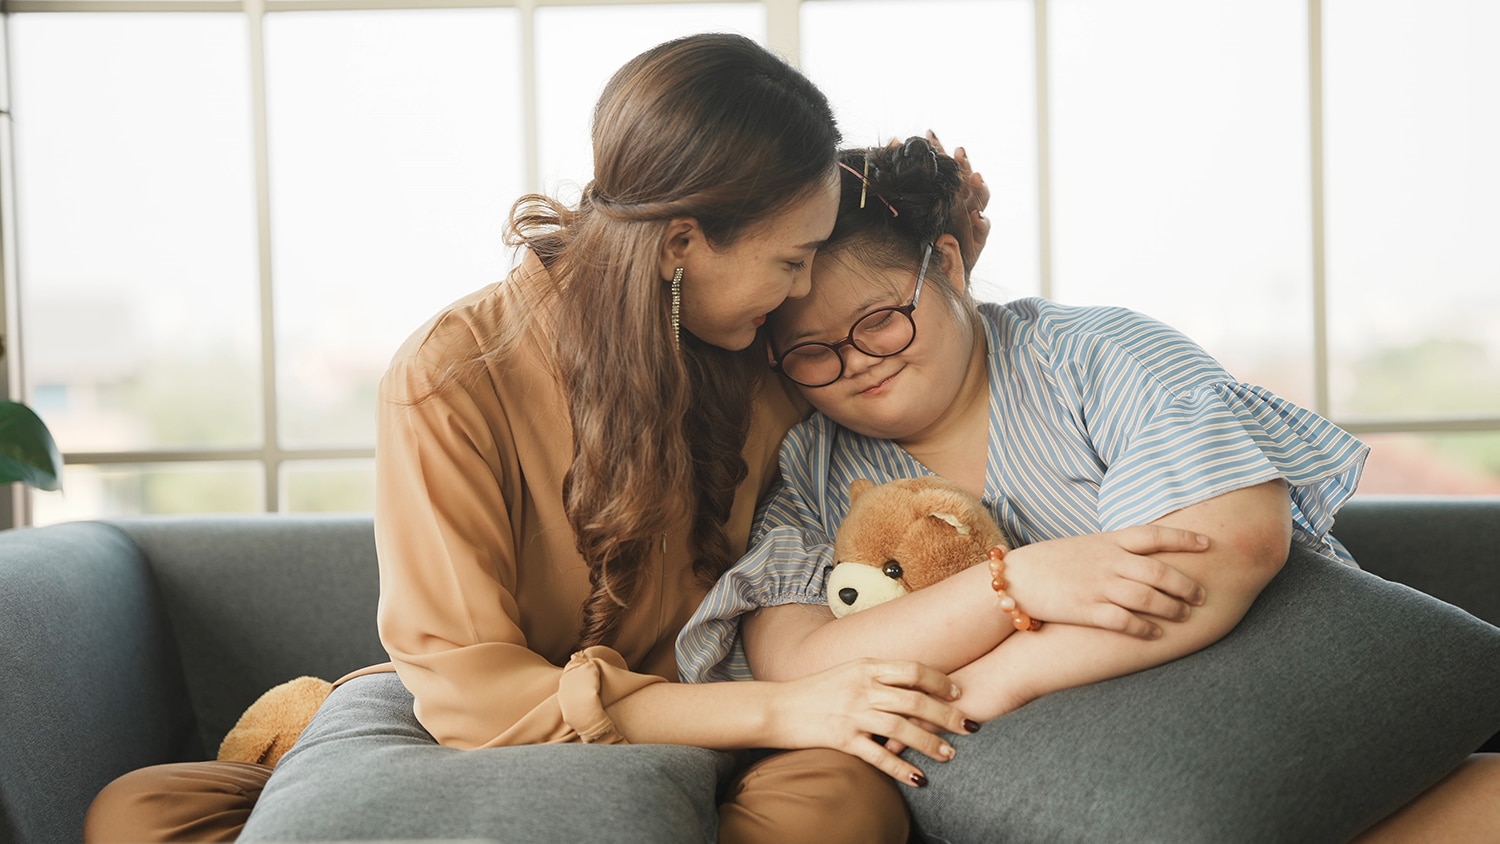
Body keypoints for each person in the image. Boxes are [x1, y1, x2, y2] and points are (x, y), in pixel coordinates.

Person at [81, 33, 1041, 844]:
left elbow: (905, 392)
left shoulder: (761, 354)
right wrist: (787, 707)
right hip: (510, 727)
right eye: (790, 262)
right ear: (678, 242)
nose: (802, 296)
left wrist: (941, 262)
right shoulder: (448, 380)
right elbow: (469, 694)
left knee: (842, 804)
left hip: (716, 725)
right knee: (142, 812)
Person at [677, 136, 1500, 841]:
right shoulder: (817, 467)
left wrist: (1002, 674)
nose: (858, 361)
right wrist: (1017, 585)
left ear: (950, 267)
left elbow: (1228, 545)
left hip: (1262, 689)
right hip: (1082, 776)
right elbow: (800, 664)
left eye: (881, 319)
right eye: (814, 353)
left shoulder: (1093, 356)